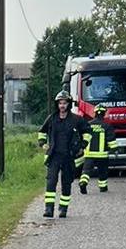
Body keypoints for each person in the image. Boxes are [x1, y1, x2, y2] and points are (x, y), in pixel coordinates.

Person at [38, 90, 90, 218]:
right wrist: (42, 142)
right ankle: (49, 209)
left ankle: (63, 209)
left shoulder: (76, 119)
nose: (62, 106)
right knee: (51, 182)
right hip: (54, 156)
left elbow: (87, 132)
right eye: (60, 103)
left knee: (66, 183)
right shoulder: (52, 118)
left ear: (69, 104)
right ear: (57, 104)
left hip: (69, 156)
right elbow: (42, 131)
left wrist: (83, 145)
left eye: (64, 103)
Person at [79, 104, 119, 194]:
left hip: (89, 154)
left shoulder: (88, 125)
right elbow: (111, 140)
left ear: (95, 113)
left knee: (86, 170)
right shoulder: (107, 126)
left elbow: (82, 138)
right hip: (102, 155)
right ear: (104, 113)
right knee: (102, 172)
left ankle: (83, 182)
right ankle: (103, 187)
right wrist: (115, 149)